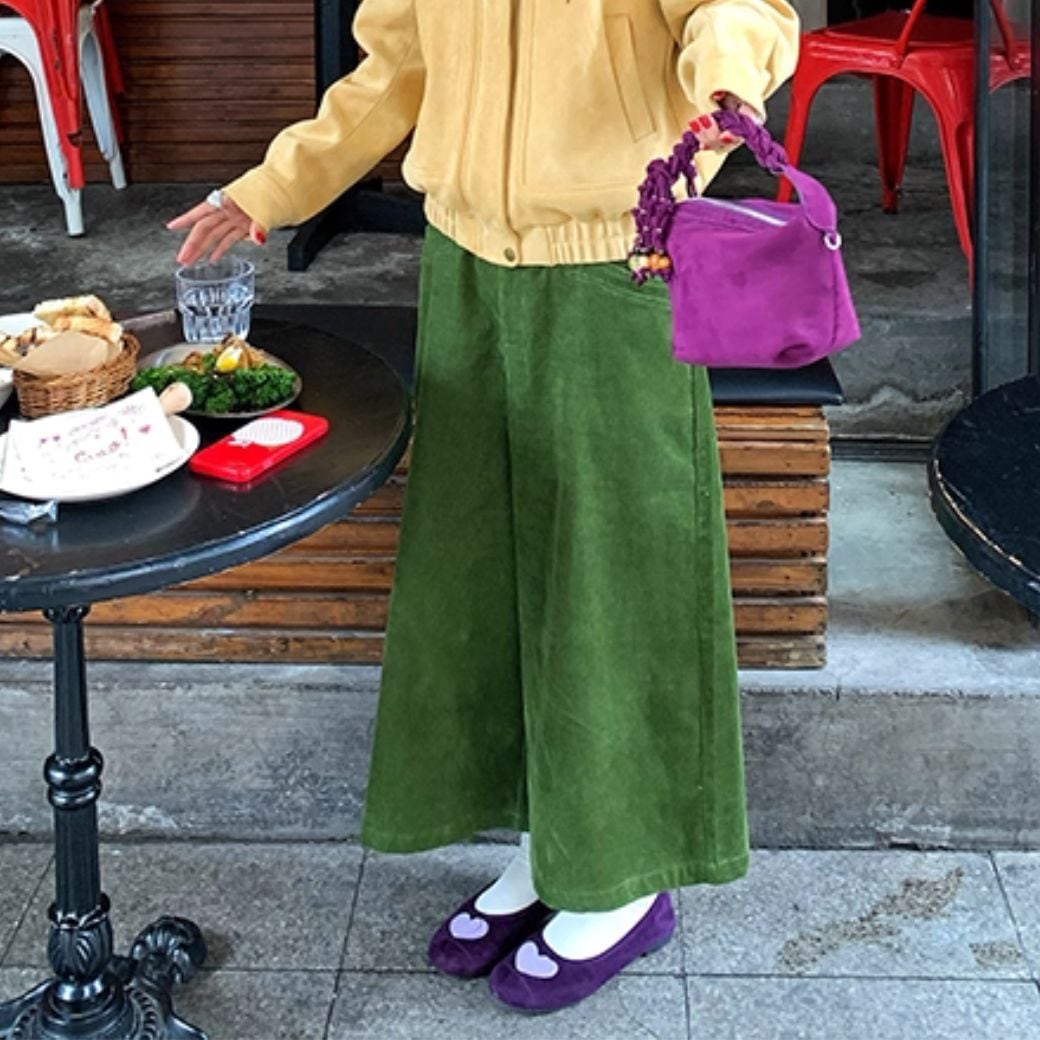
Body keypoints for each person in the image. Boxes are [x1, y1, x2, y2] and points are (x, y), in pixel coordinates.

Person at [168, 0, 799, 1013]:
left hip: (614, 259)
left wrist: (726, 77)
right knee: (490, 574)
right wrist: (274, 186)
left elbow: (741, 10)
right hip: (465, 265)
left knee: (609, 574)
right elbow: (395, 68)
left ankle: (625, 876)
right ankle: (556, 844)